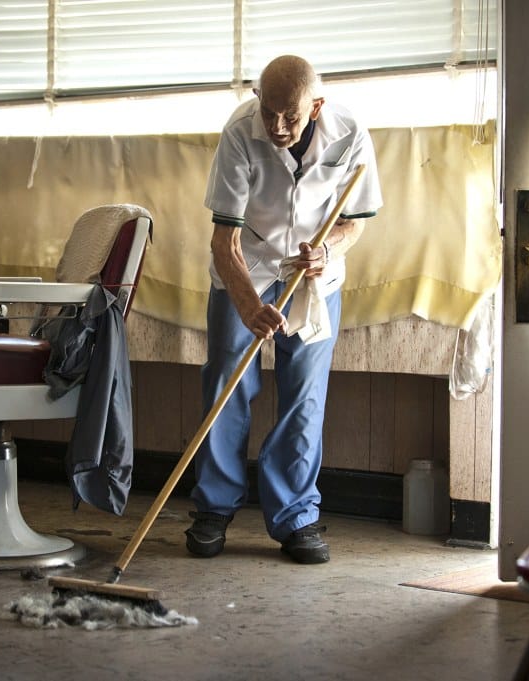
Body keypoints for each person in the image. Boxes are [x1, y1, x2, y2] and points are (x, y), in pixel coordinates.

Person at [186, 54, 382, 564]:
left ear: (315, 105)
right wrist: (250, 306)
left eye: (289, 116)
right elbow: (223, 239)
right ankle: (214, 507)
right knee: (227, 385)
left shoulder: (351, 132)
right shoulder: (239, 133)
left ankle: (296, 515)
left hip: (314, 275)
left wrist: (328, 250)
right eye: (267, 111)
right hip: (245, 268)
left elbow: (355, 223)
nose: (276, 126)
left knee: (304, 396)